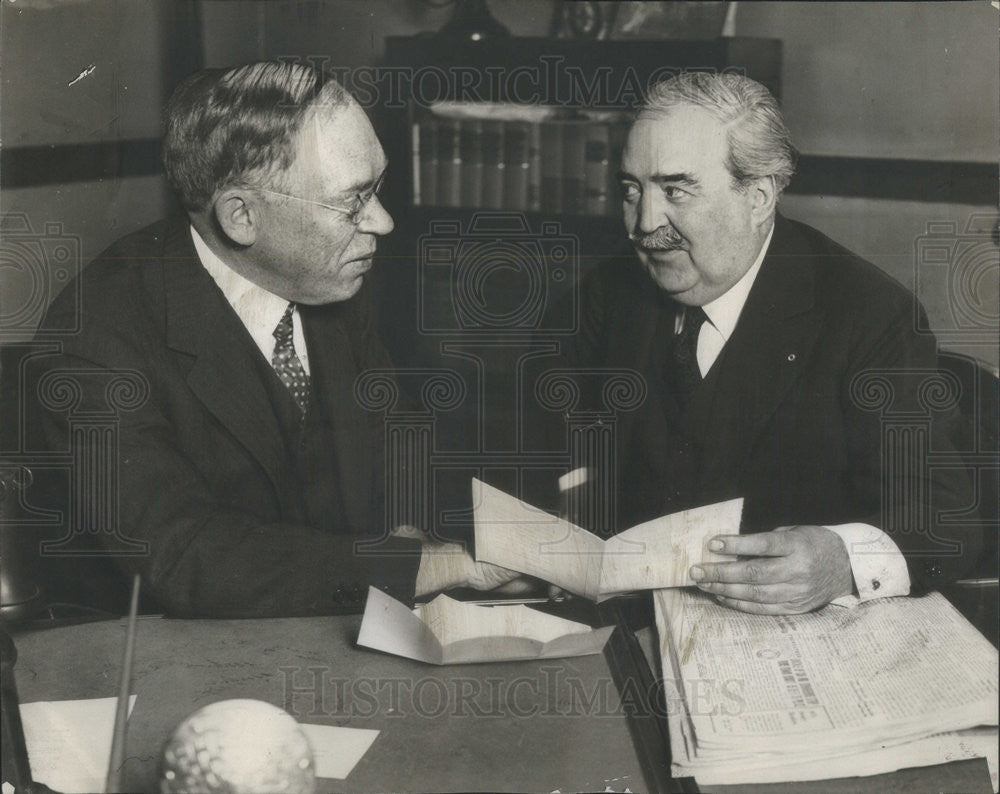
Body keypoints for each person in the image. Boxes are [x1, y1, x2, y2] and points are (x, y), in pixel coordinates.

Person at [19, 61, 518, 617]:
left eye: (377, 188)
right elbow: (186, 558)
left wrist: (491, 546)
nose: (382, 221)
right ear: (240, 217)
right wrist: (432, 565)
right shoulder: (94, 341)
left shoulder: (330, 272)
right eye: (352, 201)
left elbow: (400, 449)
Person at [563, 71, 982, 614]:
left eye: (676, 190)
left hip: (791, 639)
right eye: (630, 190)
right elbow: (562, 452)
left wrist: (839, 561)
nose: (645, 224)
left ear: (758, 196)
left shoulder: (869, 314)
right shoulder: (609, 294)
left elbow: (945, 522)